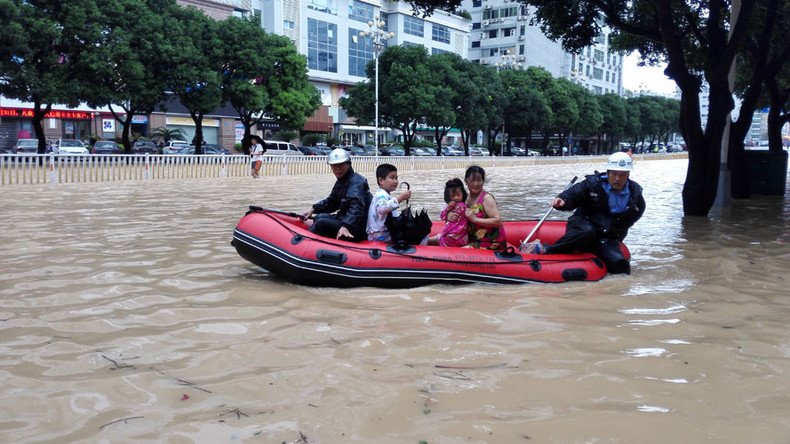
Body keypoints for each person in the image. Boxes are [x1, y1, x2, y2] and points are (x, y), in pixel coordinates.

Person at [542, 152, 645, 274]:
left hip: (606, 236)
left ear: (628, 174)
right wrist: (563, 200)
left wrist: (618, 233)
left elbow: (635, 214)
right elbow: (574, 193)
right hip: (583, 225)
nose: (617, 179)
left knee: (619, 264)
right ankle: (547, 250)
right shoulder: (593, 184)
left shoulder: (634, 193)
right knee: (587, 231)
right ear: (608, 172)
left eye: (622, 175)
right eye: (614, 174)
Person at [303, 148, 371, 242]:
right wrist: (314, 209)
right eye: (334, 166)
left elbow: (356, 208)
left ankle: (303, 242)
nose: (337, 169)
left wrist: (346, 226)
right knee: (320, 217)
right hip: (345, 219)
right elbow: (332, 202)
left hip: (356, 227)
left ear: (348, 164)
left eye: (341, 165)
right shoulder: (341, 182)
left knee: (321, 223)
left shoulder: (357, 182)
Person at [460, 165, 507, 250]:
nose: (476, 184)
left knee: (459, 251)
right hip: (474, 240)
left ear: (483, 181)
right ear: (466, 181)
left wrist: (475, 219)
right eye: (473, 180)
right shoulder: (465, 199)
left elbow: (498, 221)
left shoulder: (487, 198)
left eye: (479, 180)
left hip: (490, 242)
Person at [366, 163, 411, 242]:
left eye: (396, 178)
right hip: (378, 235)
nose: (396, 181)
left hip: (383, 233)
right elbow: (382, 208)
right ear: (381, 180)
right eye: (392, 178)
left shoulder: (386, 195)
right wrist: (400, 198)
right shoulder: (381, 195)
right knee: (412, 235)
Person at [428, 178, 469, 247]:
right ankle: (427, 241)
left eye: (458, 195)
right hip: (459, 237)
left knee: (442, 237)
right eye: (453, 196)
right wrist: (447, 210)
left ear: (463, 194)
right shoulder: (450, 206)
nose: (456, 198)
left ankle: (425, 242)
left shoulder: (461, 206)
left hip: (455, 236)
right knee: (440, 237)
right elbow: (442, 216)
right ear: (448, 197)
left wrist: (447, 211)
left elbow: (447, 221)